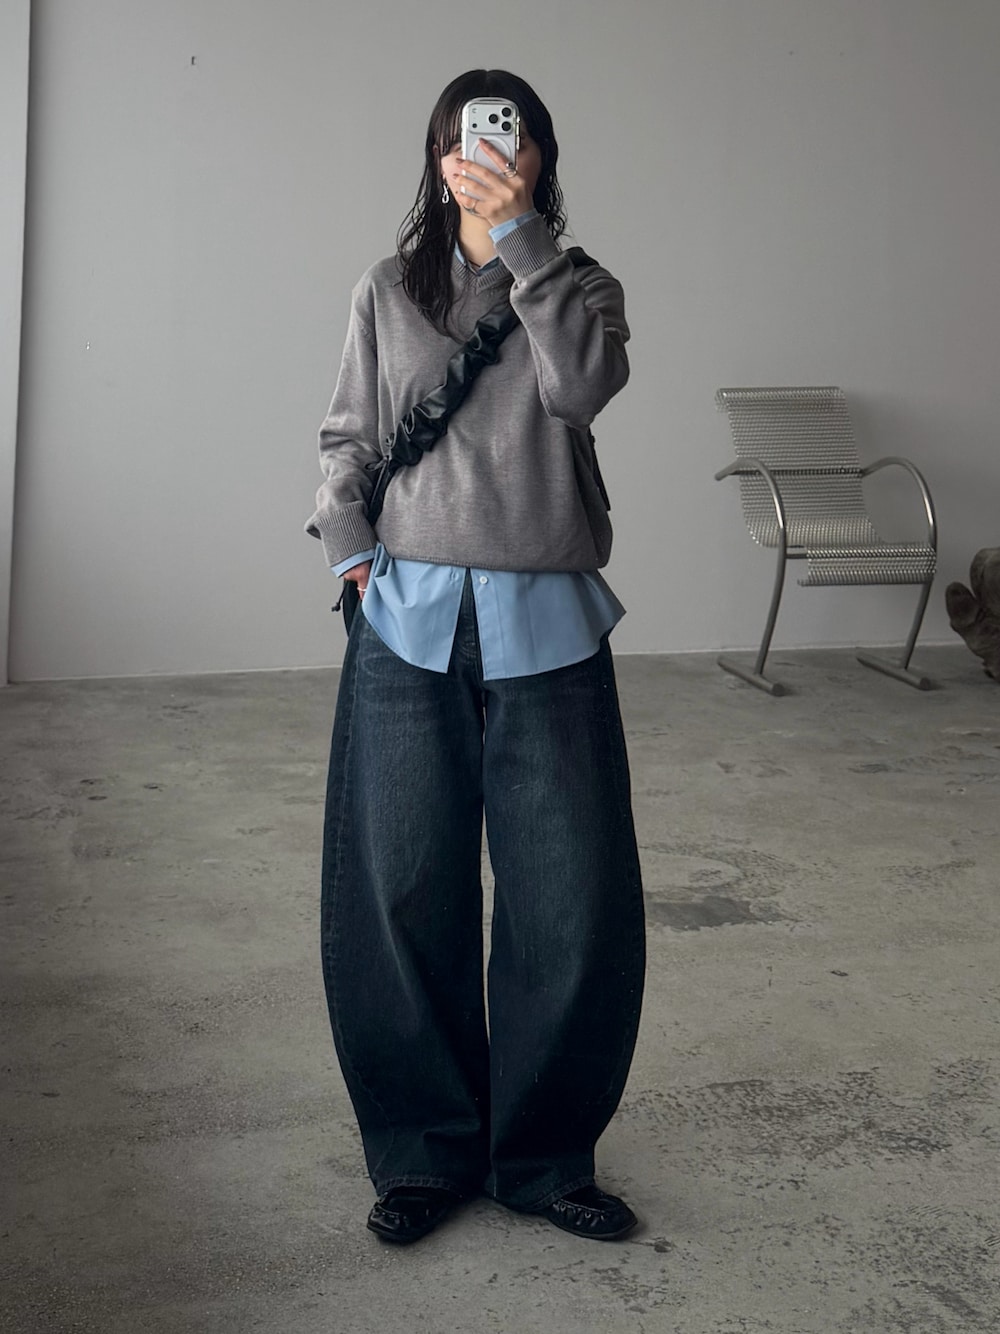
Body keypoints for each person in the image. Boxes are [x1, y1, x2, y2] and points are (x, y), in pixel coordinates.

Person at [306, 69, 646, 1245]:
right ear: (436, 157)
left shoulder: (580, 285)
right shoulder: (387, 288)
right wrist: (348, 545)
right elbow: (348, 435)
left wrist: (522, 244)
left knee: (571, 901)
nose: (484, 153)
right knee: (400, 892)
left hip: (547, 625)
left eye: (508, 138)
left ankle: (543, 1159)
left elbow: (582, 389)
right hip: (406, 618)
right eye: (463, 139)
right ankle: (421, 1152)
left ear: (539, 156)